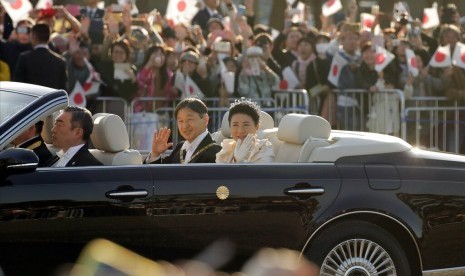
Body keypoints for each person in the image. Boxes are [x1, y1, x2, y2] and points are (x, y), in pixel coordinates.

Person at [145, 97, 221, 164]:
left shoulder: (216, 152)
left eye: (190, 119)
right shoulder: (180, 147)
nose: (184, 126)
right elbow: (161, 175)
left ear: (205, 119)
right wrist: (155, 154)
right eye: (180, 121)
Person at [216, 98, 274, 163]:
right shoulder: (227, 149)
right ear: (230, 127)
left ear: (257, 126)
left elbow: (260, 172)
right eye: (235, 125)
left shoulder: (264, 149)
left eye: (246, 125)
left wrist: (241, 161)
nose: (240, 130)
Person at [13, 23, 67, 90]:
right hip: (51, 100)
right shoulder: (60, 61)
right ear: (49, 38)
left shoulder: (25, 58)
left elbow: (17, 84)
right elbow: (63, 89)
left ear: (34, 37)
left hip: (31, 99)